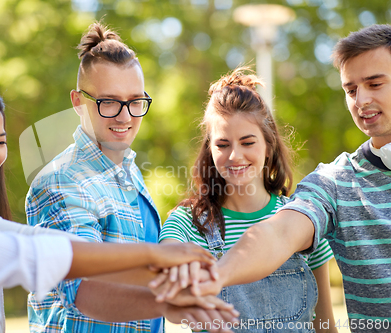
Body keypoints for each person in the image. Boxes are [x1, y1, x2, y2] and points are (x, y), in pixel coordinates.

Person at [0, 55, 233, 333]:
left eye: (1, 141)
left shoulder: (130, 175)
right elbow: (33, 252)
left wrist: (169, 280)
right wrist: (161, 272)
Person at [157, 24, 391, 330]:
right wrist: (209, 280)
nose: (360, 101)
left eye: (374, 84)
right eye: (350, 90)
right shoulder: (333, 184)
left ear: (269, 147)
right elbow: (279, 233)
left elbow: (324, 325)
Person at [25, 22, 234, 333]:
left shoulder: (130, 173)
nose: (125, 116)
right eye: (109, 102)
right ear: (78, 101)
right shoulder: (62, 181)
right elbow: (82, 290)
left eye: (135, 101)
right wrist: (170, 302)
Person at [156, 67, 336, 332]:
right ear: (210, 149)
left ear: (268, 144)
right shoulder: (186, 223)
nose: (235, 156)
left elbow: (325, 324)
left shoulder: (301, 220)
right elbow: (171, 289)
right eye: (223, 144)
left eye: (247, 142)